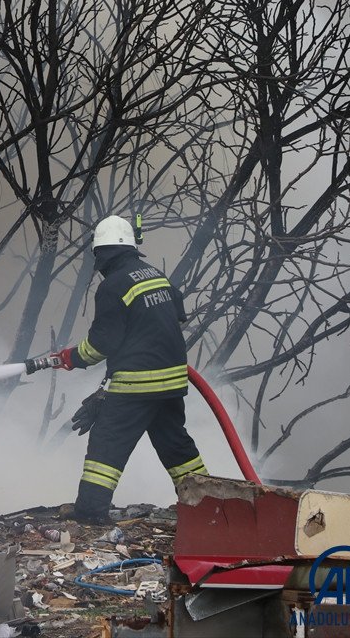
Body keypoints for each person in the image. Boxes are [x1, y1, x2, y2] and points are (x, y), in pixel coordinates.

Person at [52, 215, 207, 524]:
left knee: (106, 444)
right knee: (176, 446)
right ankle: (206, 507)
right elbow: (176, 314)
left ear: (102, 254)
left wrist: (71, 357)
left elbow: (100, 346)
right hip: (172, 381)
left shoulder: (113, 286)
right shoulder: (154, 274)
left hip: (138, 385)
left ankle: (90, 513)